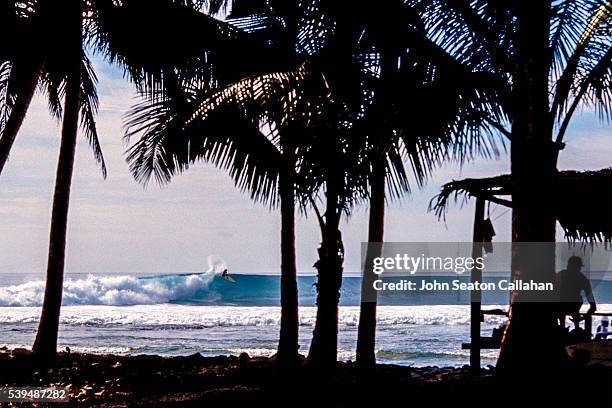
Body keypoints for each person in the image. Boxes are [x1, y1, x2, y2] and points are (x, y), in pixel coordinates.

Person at [556, 256, 596, 330]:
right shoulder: (582, 279)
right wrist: (584, 317)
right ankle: (575, 327)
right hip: (573, 306)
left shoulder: (561, 275)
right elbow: (593, 306)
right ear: (579, 268)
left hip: (563, 306)